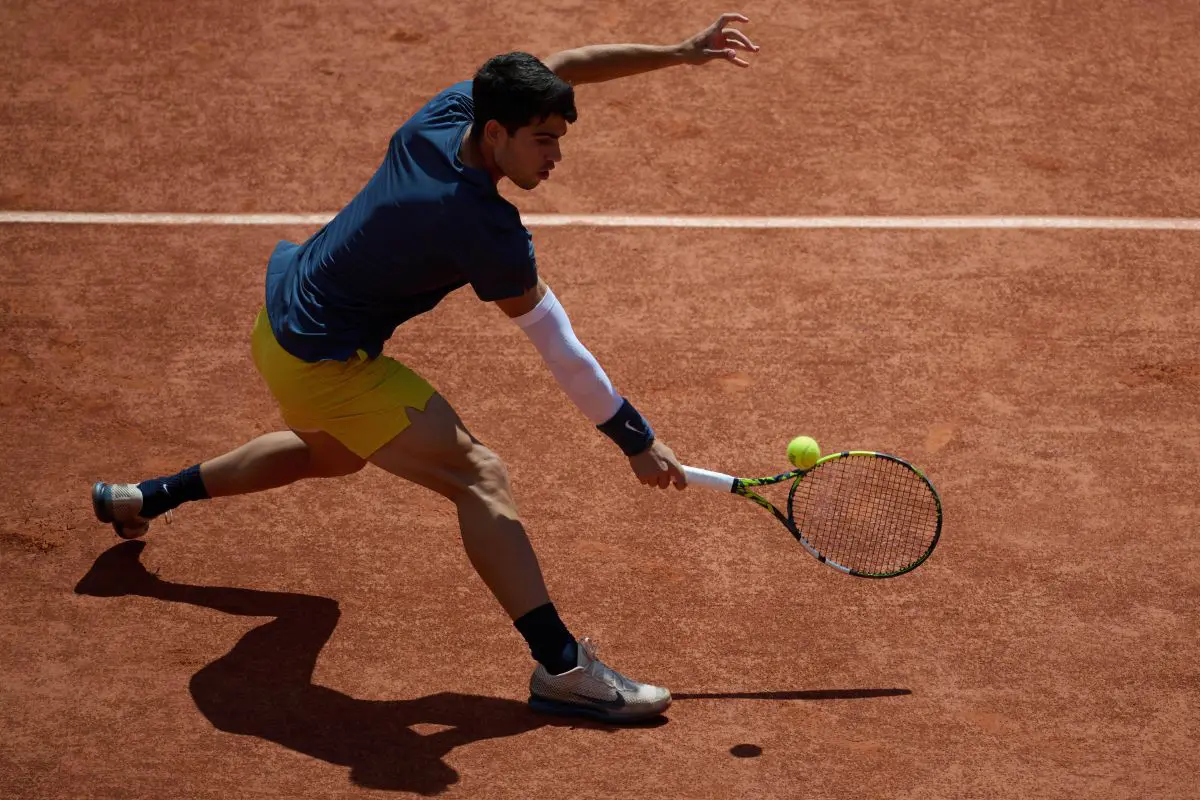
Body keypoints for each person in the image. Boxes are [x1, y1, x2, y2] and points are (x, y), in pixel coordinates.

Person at [91, 13, 760, 723]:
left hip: (279, 321)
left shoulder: (447, 115)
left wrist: (679, 52)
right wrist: (635, 439)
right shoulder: (480, 226)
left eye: (560, 138)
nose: (556, 157)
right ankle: (563, 667)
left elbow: (563, 63)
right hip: (325, 363)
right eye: (543, 140)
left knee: (330, 453)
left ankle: (144, 498)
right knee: (479, 475)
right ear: (497, 133)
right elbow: (559, 346)